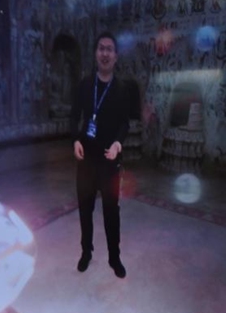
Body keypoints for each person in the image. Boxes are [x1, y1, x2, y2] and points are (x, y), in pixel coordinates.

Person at [70, 32, 132, 278]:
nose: (105, 53)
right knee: (85, 210)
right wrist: (75, 139)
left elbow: (125, 123)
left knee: (111, 212)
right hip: (86, 159)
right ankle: (86, 252)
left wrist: (118, 143)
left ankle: (114, 257)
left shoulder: (121, 88)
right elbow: (74, 116)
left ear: (116, 57)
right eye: (101, 48)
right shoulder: (84, 85)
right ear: (96, 54)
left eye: (110, 49)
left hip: (109, 160)